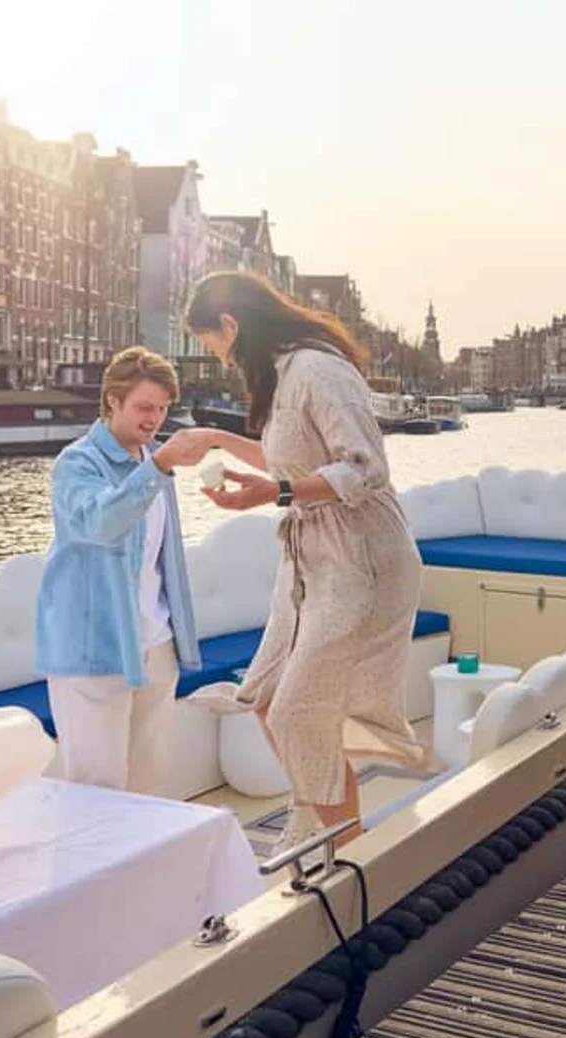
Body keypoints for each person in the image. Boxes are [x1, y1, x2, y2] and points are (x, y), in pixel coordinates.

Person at [168, 271, 426, 847]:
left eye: (213, 344)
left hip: (362, 561)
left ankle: (348, 855)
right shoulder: (283, 376)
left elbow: (364, 468)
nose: (220, 358)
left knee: (300, 712)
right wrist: (219, 441)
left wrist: (276, 493)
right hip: (310, 563)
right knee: (265, 698)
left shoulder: (319, 371)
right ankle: (315, 817)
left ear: (231, 326)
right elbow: (288, 457)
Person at [34, 346, 203, 794]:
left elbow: (159, 559)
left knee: (147, 783)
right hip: (95, 650)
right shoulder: (78, 463)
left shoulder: (152, 458)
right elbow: (101, 523)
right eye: (145, 407)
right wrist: (162, 466)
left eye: (163, 409)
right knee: (98, 788)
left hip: (156, 644)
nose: (155, 419)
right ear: (112, 400)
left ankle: (141, 866)